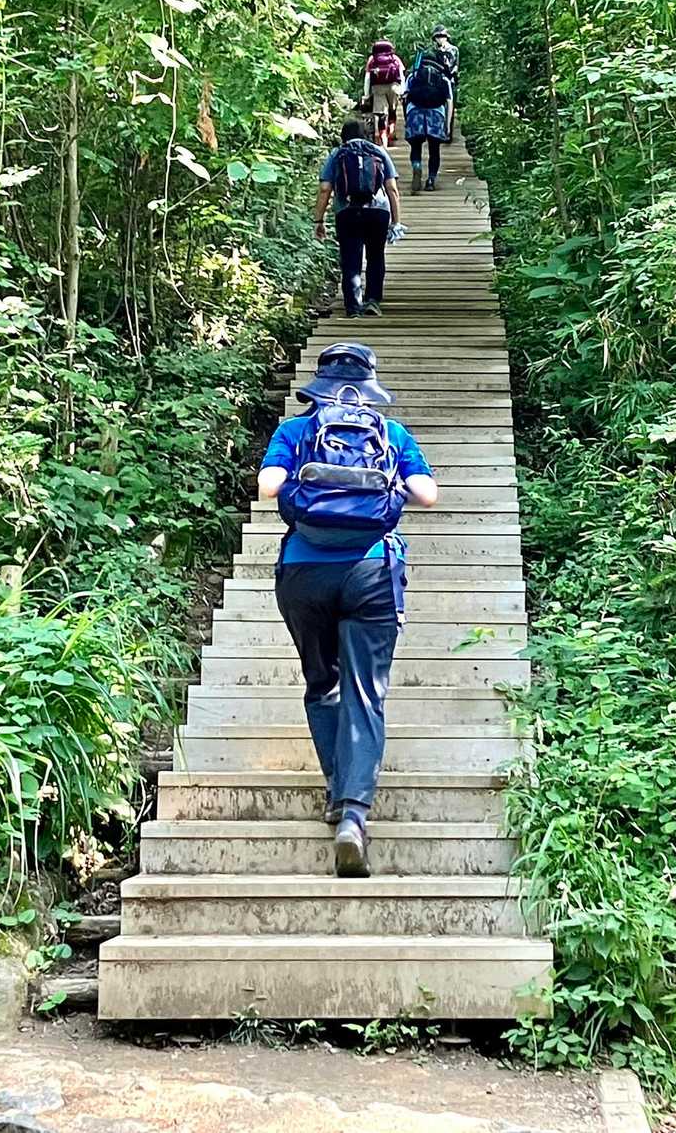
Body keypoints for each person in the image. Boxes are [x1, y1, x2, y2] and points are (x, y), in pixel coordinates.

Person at [257, 343, 439, 877]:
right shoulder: (391, 434)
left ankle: (337, 789)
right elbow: (428, 494)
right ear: (368, 390)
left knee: (323, 683)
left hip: (304, 572)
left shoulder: (295, 431)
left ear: (318, 388)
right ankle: (353, 815)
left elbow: (268, 488)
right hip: (372, 571)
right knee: (366, 691)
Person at [316, 120, 400, 317]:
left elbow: (325, 189)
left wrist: (318, 220)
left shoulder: (337, 154)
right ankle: (372, 301)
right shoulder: (379, 152)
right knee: (376, 256)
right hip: (378, 211)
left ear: (342, 136)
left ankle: (353, 307)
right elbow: (392, 189)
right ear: (365, 134)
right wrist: (396, 221)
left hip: (347, 211)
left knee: (350, 259)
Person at [403, 50, 454, 194]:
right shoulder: (443, 78)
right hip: (435, 114)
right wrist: (447, 125)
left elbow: (405, 96)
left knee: (416, 146)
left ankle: (417, 166)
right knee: (434, 149)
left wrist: (407, 119)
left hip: (416, 112)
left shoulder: (414, 75)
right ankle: (431, 180)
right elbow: (449, 102)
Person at [362, 39, 405, 147]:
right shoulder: (394, 58)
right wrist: (402, 91)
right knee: (392, 110)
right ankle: (391, 130)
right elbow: (401, 75)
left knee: (381, 114)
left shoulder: (372, 59)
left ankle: (383, 138)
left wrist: (366, 94)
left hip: (378, 88)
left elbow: (367, 78)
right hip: (393, 87)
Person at [431, 25, 459, 139]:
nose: (440, 39)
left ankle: (448, 133)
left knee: (449, 107)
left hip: (450, 81)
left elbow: (455, 66)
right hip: (436, 82)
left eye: (442, 36)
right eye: (438, 37)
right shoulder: (433, 51)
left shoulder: (453, 49)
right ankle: (436, 131)